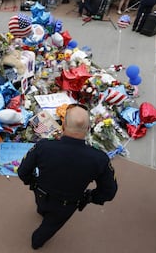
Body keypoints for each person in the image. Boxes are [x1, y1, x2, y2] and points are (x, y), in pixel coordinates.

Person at [17, 104, 118, 250]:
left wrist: (33, 182)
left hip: (41, 192)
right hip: (67, 203)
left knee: (42, 207)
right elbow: (109, 191)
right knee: (51, 225)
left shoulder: (44, 147)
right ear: (88, 129)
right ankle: (37, 241)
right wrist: (91, 197)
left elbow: (23, 171)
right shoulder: (99, 159)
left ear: (63, 125)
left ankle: (42, 211)